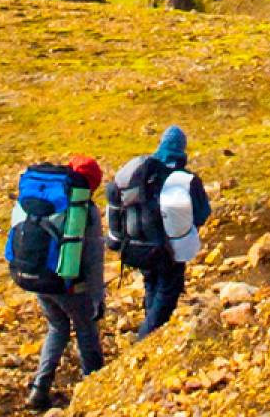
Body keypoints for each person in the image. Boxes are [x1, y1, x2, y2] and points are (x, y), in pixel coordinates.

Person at [108, 126, 212, 340]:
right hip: (168, 250)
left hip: (137, 247)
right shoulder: (184, 178)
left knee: (151, 285)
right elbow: (202, 214)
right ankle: (145, 342)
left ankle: (149, 333)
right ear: (182, 149)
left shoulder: (142, 173)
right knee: (166, 293)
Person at [23, 155, 105, 412]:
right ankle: (94, 388)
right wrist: (97, 297)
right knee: (86, 329)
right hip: (69, 285)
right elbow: (93, 258)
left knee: (57, 327)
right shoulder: (84, 210)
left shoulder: (46, 199)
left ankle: (39, 389)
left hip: (39, 279)